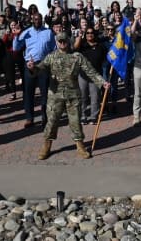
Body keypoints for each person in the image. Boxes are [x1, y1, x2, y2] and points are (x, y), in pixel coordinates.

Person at [27, 31, 110, 160]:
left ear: (69, 41)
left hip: (73, 95)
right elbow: (40, 68)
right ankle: (46, 146)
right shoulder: (51, 56)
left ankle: (80, 146)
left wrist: (102, 82)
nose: (62, 43)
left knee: (75, 121)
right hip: (55, 95)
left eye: (64, 40)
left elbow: (90, 71)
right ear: (56, 42)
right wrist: (32, 68)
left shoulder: (77, 56)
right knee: (52, 121)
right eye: (59, 41)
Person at [13, 12, 56, 128]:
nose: (37, 21)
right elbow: (16, 48)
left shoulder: (48, 32)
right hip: (30, 65)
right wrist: (17, 36)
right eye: (35, 19)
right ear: (32, 20)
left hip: (44, 65)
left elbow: (54, 49)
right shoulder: (26, 32)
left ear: (42, 20)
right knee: (28, 92)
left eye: (39, 19)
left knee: (45, 93)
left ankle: (45, 117)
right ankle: (29, 118)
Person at [73, 26, 107, 124]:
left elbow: (105, 59)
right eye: (87, 33)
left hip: (96, 75)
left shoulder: (101, 46)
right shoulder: (82, 45)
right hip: (83, 75)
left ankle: (94, 116)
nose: (89, 34)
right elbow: (74, 49)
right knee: (82, 97)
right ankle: (83, 116)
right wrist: (79, 36)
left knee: (95, 97)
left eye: (91, 32)